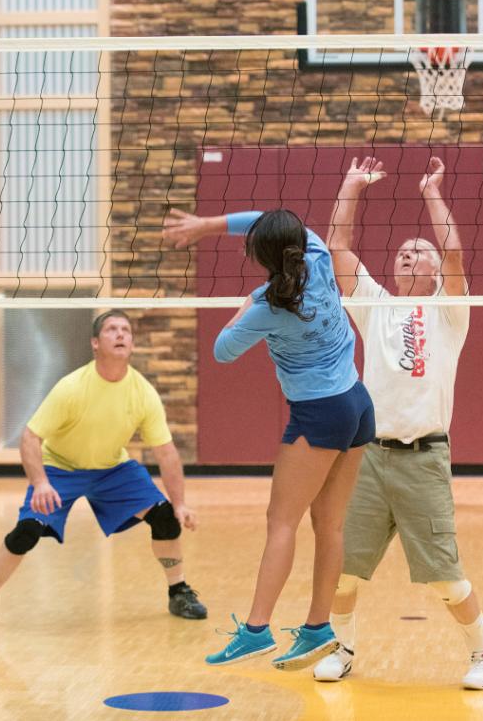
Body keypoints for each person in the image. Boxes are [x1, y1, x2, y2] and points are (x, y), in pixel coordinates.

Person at [308, 155, 483, 689]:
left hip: (424, 458)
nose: (408, 256)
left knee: (445, 576)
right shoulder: (374, 304)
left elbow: (455, 251)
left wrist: (430, 191)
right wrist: (350, 185)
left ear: (436, 270)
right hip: (369, 459)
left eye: (419, 251)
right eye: (400, 252)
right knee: (343, 571)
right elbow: (337, 248)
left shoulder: (449, 312)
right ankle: (342, 647)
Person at [163, 207, 375, 670]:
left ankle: (257, 631)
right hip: (358, 405)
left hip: (318, 415)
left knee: (281, 523)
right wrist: (209, 225)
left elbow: (222, 350)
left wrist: (247, 300)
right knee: (330, 525)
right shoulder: (317, 256)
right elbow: (269, 219)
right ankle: (319, 627)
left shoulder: (267, 307)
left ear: (259, 257)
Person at [0, 309, 207, 627]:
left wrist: (180, 503)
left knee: (166, 518)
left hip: (112, 469)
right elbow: (30, 436)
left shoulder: (143, 392)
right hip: (59, 468)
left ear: (132, 342)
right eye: (111, 329)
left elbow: (166, 452)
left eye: (126, 330)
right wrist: (40, 483)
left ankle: (179, 591)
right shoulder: (72, 387)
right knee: (27, 531)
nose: (120, 334)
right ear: (95, 342)